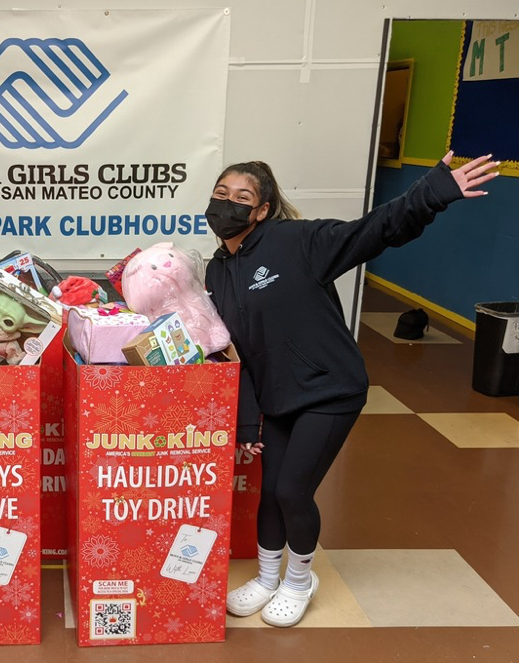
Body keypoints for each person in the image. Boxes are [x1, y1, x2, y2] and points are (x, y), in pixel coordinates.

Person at [205, 153, 498, 628]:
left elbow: (375, 229)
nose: (228, 205)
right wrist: (246, 417)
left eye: (242, 198)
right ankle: (265, 578)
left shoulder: (297, 241)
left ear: (261, 210)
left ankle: (300, 581)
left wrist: (435, 189)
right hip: (278, 396)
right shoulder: (218, 270)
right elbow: (234, 352)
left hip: (329, 389)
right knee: (270, 493)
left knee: (293, 488)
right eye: (221, 195)